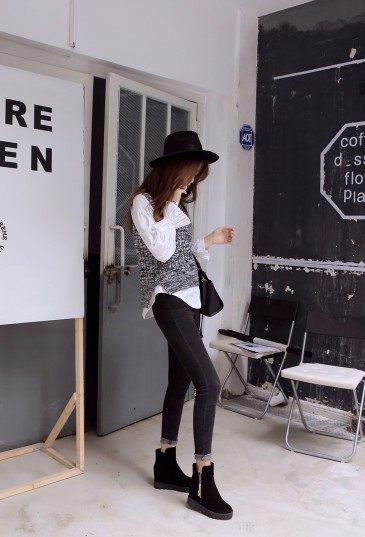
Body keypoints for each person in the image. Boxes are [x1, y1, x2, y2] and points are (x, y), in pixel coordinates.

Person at [130, 130, 235, 520]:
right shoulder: (143, 203)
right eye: (190, 173)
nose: (192, 182)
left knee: (180, 383)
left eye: (196, 177)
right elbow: (161, 251)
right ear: (174, 169)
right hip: (169, 302)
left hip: (190, 301)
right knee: (209, 384)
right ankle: (202, 480)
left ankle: (165, 463)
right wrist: (173, 200)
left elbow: (183, 255)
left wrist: (210, 239)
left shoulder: (175, 208)